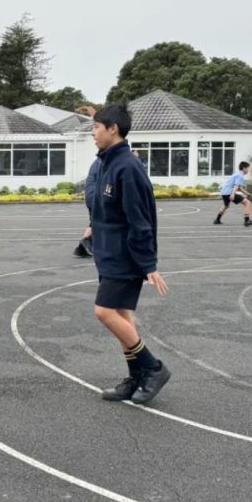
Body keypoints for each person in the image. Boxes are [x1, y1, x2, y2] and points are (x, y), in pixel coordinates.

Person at [89, 104, 171, 404]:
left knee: (104, 312)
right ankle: (136, 375)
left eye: (96, 127)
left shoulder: (128, 167)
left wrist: (148, 263)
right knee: (122, 315)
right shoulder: (106, 163)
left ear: (113, 129)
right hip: (107, 253)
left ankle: (153, 368)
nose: (93, 133)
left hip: (124, 256)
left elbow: (140, 219)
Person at [214, 161, 252, 227]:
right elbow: (236, 186)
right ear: (244, 168)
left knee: (226, 205)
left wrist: (249, 195)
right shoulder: (240, 176)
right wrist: (232, 194)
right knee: (247, 203)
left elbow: (239, 188)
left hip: (224, 192)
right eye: (248, 168)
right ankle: (247, 220)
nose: (248, 170)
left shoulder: (237, 174)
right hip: (229, 192)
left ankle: (217, 220)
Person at [74, 157, 101, 258]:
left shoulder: (98, 162)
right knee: (100, 223)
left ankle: (83, 246)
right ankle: (86, 243)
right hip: (96, 198)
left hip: (92, 197)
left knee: (94, 223)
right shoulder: (104, 163)